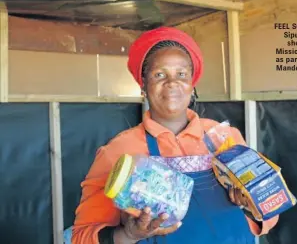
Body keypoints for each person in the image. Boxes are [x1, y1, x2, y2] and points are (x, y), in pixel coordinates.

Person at [71, 27, 279, 244]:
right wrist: (128, 234)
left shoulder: (225, 137)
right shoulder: (119, 151)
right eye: (159, 74)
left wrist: (251, 205)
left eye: (181, 74)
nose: (172, 83)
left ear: (192, 83)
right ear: (143, 86)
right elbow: (80, 238)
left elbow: (269, 210)